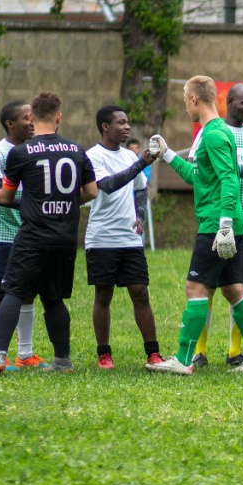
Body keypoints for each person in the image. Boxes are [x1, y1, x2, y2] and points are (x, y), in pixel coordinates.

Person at [145, 76, 243, 375]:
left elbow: (229, 179)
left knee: (195, 287)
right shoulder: (212, 132)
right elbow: (197, 177)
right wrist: (166, 154)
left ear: (193, 100)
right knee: (234, 290)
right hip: (226, 221)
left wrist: (224, 223)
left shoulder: (213, 135)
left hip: (217, 223)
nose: (185, 107)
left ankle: (183, 359)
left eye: (185, 101)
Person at [0, 93, 98, 373]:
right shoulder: (77, 150)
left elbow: (5, 197)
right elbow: (91, 192)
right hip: (65, 237)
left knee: (13, 290)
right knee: (53, 298)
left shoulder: (21, 153)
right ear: (59, 117)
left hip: (33, 236)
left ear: (32, 118)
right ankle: (63, 361)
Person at [191, 84, 243, 368]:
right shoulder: (209, 132)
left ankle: (235, 350)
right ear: (230, 102)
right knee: (206, 286)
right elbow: (197, 174)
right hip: (216, 221)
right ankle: (199, 351)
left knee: (240, 285)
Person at [85, 105, 163, 369]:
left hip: (129, 239)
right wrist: (141, 161)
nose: (127, 127)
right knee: (103, 295)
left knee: (140, 292)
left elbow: (140, 188)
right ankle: (103, 354)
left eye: (128, 122)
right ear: (106, 127)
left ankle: (153, 353)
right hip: (102, 238)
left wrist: (140, 215)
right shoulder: (92, 157)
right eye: (121, 122)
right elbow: (107, 185)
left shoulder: (130, 157)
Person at [0, 100, 46, 370]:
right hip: (2, 234)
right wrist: (35, 204)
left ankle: (25, 355)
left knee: (27, 294)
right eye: (27, 117)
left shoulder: (35, 152)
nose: (33, 121)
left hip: (31, 234)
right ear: (10, 124)